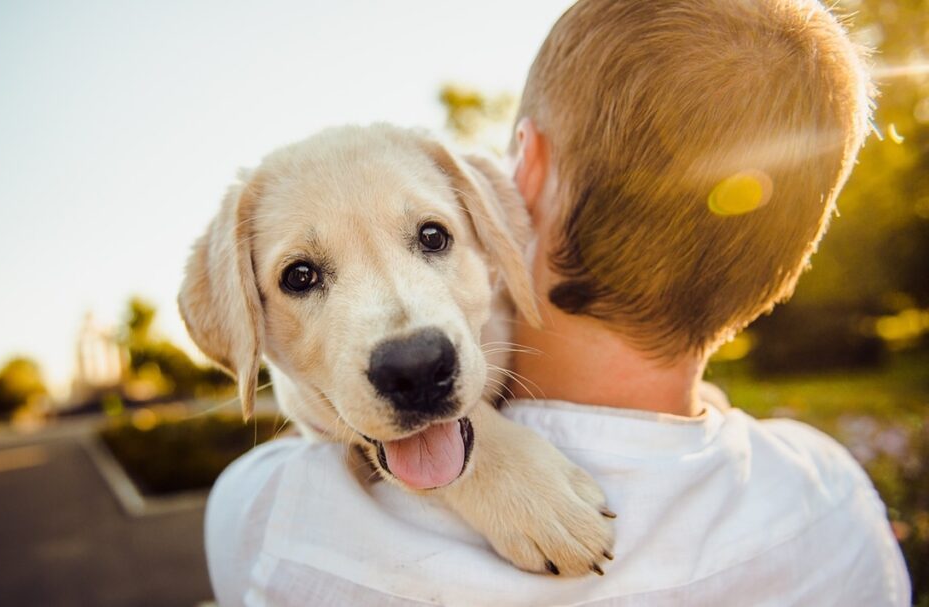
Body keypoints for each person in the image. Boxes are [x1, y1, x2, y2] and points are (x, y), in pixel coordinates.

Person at [205, 0, 911, 605]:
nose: (408, 340)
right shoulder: (839, 506)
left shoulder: (272, 521)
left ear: (524, 174)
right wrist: (484, 459)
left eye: (430, 236)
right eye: (302, 276)